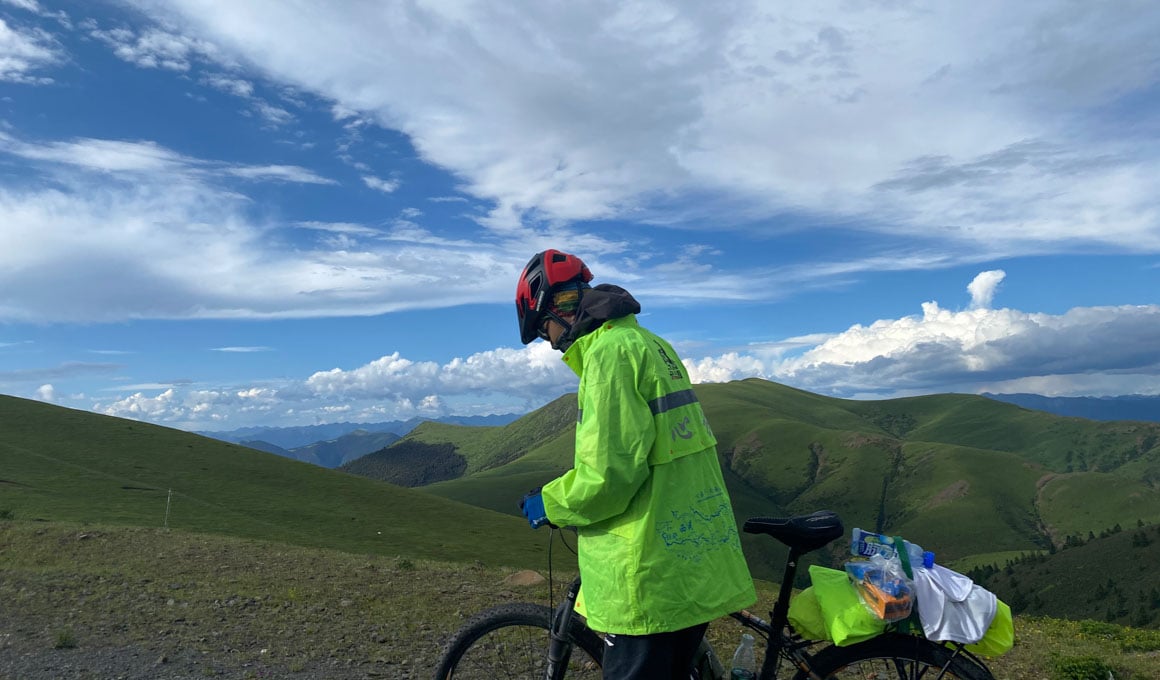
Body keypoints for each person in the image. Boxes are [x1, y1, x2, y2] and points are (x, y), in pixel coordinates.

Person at [515, 248, 756, 679]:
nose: (549, 343)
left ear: (559, 310)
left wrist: (549, 503)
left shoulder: (609, 357)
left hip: (647, 572)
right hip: (688, 557)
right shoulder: (650, 344)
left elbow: (609, 475)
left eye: (542, 330)